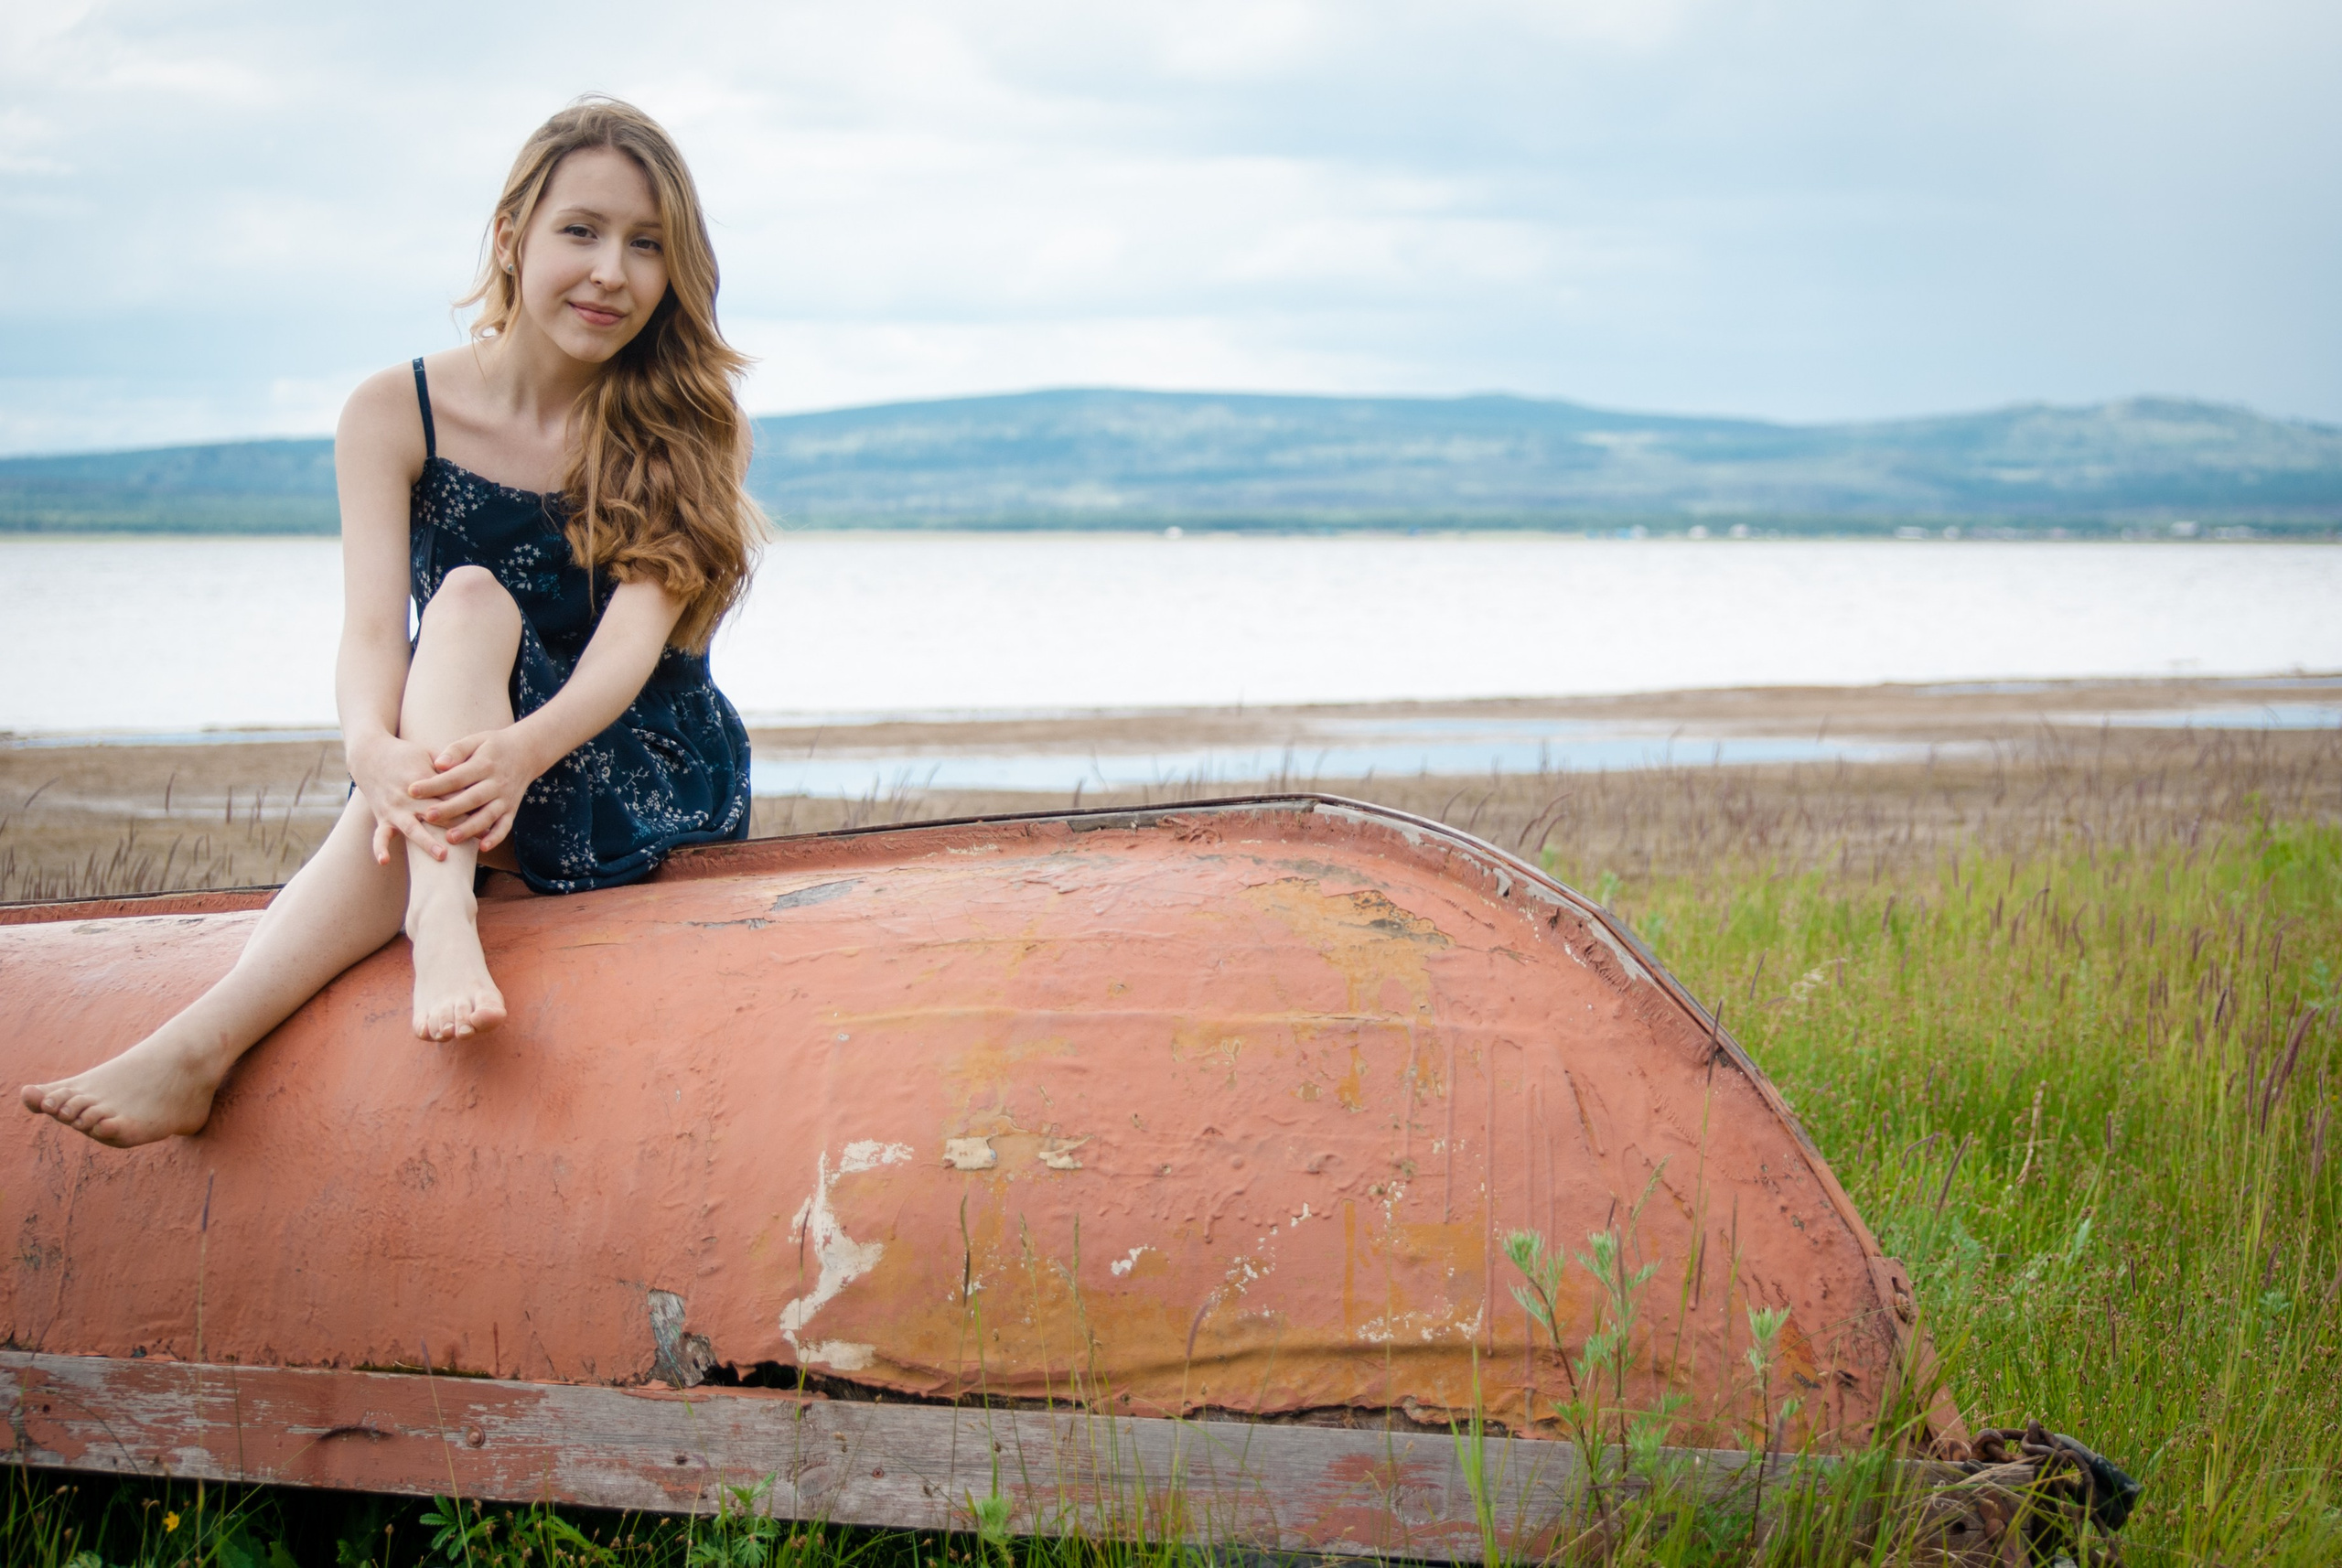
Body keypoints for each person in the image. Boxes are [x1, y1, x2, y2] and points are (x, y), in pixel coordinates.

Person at [21, 98, 760, 1149]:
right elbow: (374, 633)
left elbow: (630, 647)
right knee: (460, 610)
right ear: (511, 236)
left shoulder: (686, 421)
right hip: (457, 722)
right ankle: (429, 910)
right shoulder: (392, 410)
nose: (611, 273)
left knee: (458, 628)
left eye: (647, 246)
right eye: (581, 231)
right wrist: (369, 751)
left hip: (624, 748)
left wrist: (514, 752)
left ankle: (235, 1024)